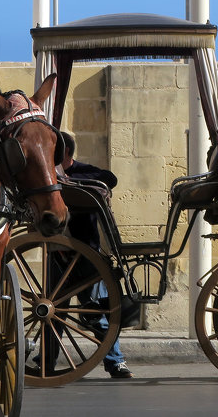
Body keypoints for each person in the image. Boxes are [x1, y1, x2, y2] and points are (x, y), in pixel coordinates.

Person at [59, 131, 133, 379]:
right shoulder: (46, 176)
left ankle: (116, 362)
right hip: (56, 253)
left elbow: (108, 178)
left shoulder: (82, 171)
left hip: (86, 255)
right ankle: (45, 360)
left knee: (96, 312)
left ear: (64, 152)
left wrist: (70, 181)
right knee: (53, 312)